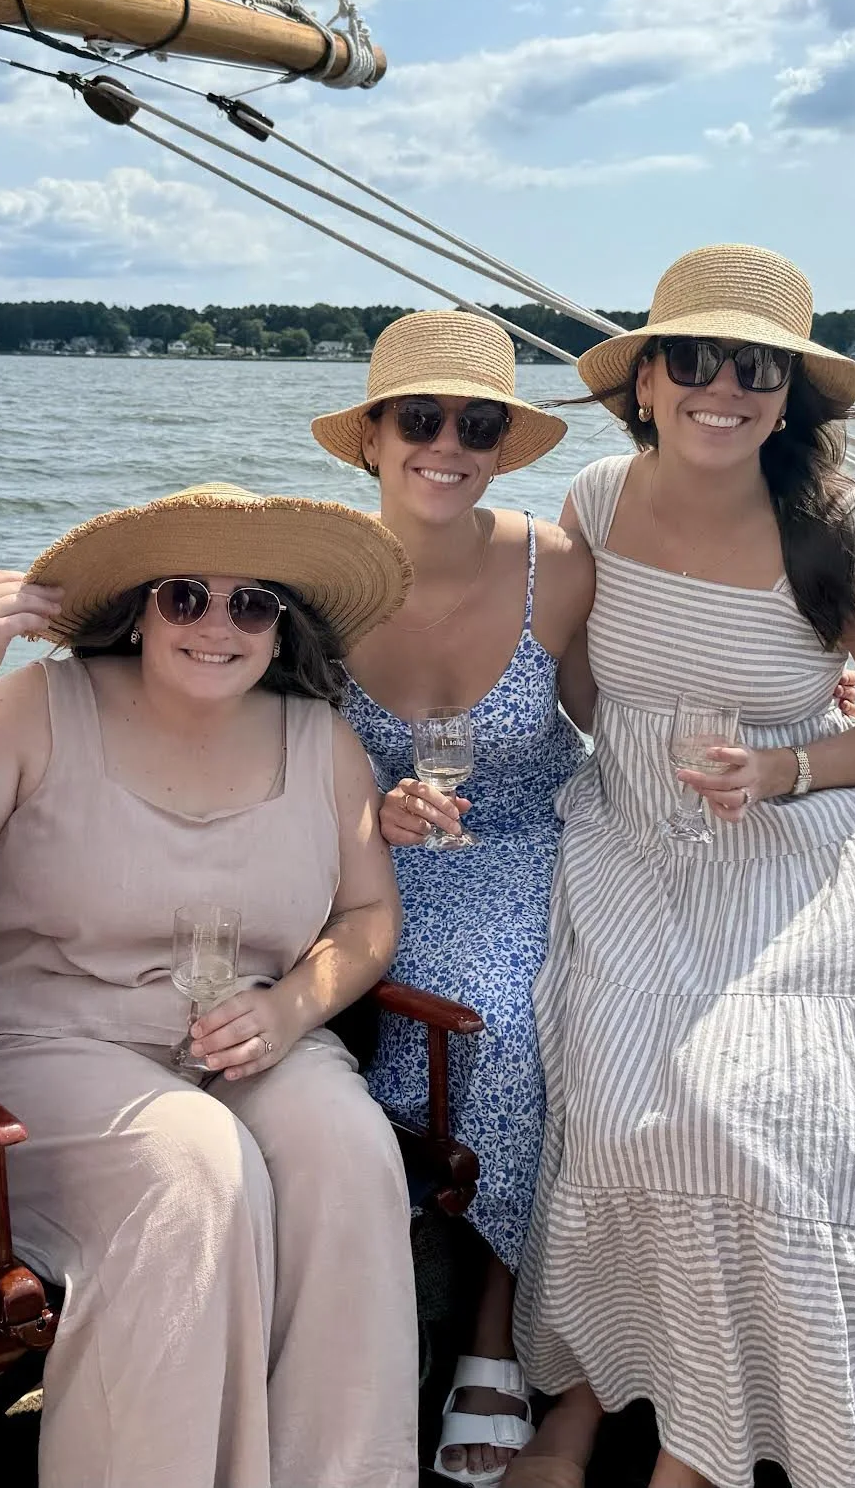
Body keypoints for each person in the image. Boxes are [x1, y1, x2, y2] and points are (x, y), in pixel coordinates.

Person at [504, 246, 855, 1488]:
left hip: (815, 827)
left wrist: (786, 770)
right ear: (643, 382)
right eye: (692, 360)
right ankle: (587, 1400)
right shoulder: (589, 501)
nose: (721, 388)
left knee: (774, 1110)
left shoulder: (844, 530)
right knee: (625, 1094)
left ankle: (697, 1446)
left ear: (788, 397)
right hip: (638, 822)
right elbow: (570, 683)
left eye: (755, 368)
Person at [0, 483, 422, 1488]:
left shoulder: (323, 740)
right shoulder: (39, 706)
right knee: (192, 1165)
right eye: (185, 595)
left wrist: (289, 1008)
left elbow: (366, 920)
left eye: (250, 603)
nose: (216, 624)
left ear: (281, 627)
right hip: (33, 1049)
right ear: (138, 608)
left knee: (349, 1152)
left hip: (252, 1031)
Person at [311, 308, 592, 1486]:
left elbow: (624, 705)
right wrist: (360, 814)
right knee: (482, 1018)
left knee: (570, 1008)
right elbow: (265, 760)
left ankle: (498, 1328)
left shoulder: (557, 563)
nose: (447, 442)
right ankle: (453, 1335)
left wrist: (795, 696)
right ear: (372, 436)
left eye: (475, 423)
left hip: (545, 835)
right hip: (370, 861)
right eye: (417, 418)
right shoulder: (314, 577)